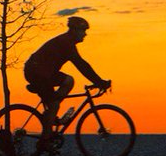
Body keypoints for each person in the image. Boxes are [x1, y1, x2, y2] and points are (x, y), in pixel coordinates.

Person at [24, 15, 111, 144]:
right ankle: (45, 140)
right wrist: (99, 82)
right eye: (83, 31)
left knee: (68, 80)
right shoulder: (66, 43)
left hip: (45, 73)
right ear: (75, 30)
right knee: (53, 104)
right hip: (37, 73)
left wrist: (98, 81)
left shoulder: (67, 42)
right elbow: (81, 64)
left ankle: (51, 114)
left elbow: (82, 65)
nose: (85, 34)